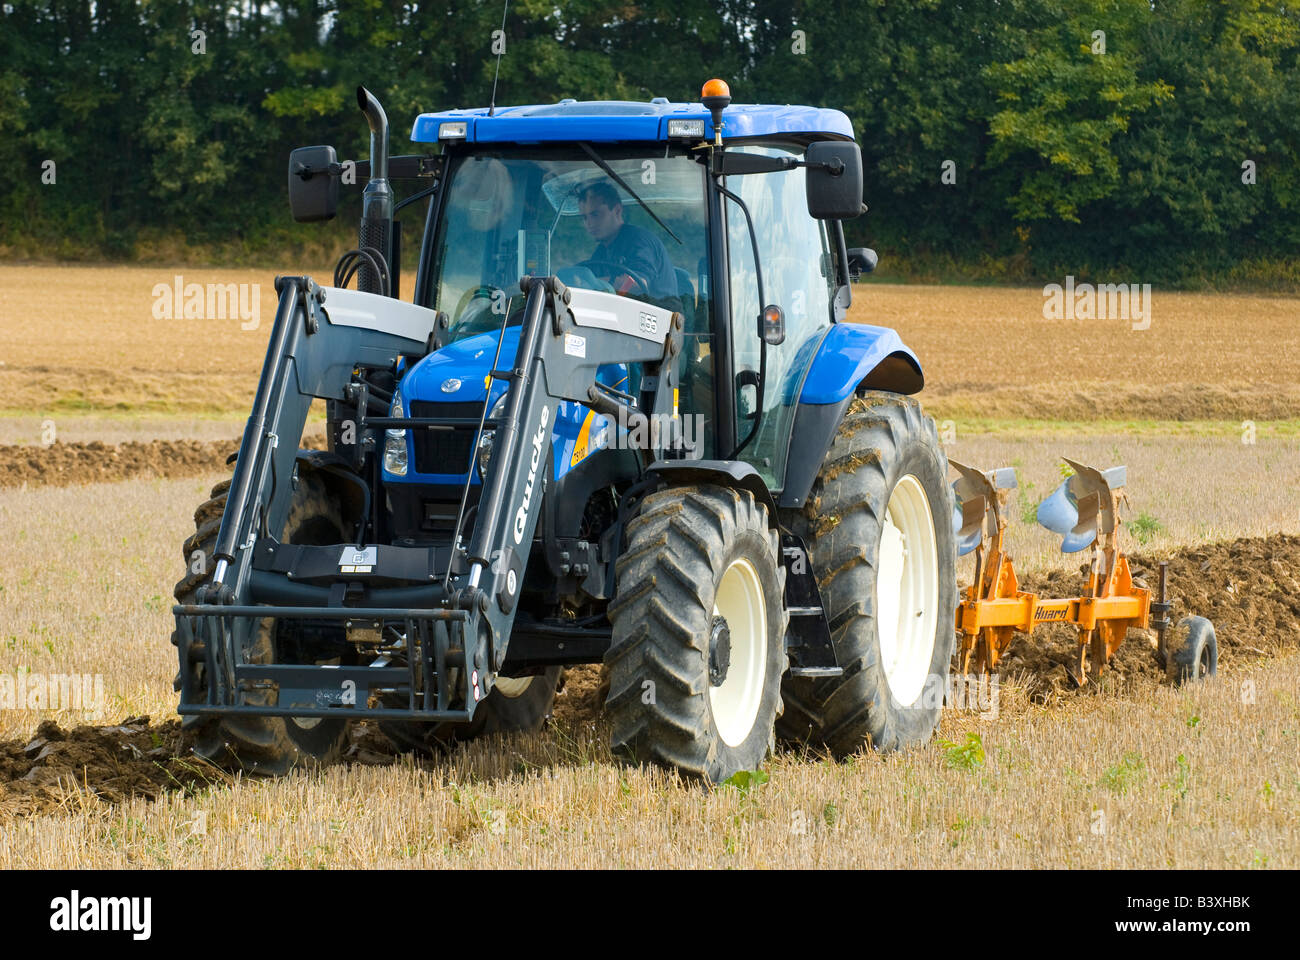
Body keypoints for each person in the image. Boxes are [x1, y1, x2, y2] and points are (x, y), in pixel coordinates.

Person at [574, 181, 681, 310]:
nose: (589, 223)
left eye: (595, 215)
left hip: (660, 319)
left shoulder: (638, 241)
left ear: (617, 210)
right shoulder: (600, 253)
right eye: (584, 218)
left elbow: (636, 283)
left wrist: (589, 283)